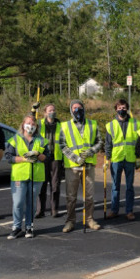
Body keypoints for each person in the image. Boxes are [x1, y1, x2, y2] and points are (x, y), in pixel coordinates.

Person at [60, 100, 103, 233]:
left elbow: (99, 142)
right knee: (71, 197)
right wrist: (76, 158)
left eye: (79, 107)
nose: (77, 110)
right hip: (72, 167)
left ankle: (89, 219)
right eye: (74, 108)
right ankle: (70, 221)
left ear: (84, 109)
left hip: (88, 165)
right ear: (71, 110)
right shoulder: (65, 126)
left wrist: (91, 151)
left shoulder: (92, 124)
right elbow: (62, 145)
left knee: (89, 196)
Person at [5, 114, 47, 239]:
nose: (31, 126)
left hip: (36, 176)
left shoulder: (42, 140)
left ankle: (29, 226)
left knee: (32, 203)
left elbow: (47, 158)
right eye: (28, 123)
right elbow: (8, 157)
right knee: (18, 203)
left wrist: (38, 154)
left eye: (33, 124)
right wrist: (24, 159)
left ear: (36, 126)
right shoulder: (15, 139)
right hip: (19, 176)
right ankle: (16, 227)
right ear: (23, 124)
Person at [105, 99, 140, 221]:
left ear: (127, 109)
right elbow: (108, 144)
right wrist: (107, 159)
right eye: (119, 108)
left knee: (129, 187)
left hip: (130, 159)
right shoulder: (111, 125)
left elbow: (138, 144)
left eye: (124, 107)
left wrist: (138, 160)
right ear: (116, 109)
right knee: (115, 186)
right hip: (116, 159)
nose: (122, 110)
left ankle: (129, 211)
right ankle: (114, 210)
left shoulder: (136, 124)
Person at [35, 104, 64, 219]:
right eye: (50, 110)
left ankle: (54, 209)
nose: (52, 112)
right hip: (42, 157)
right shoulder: (39, 124)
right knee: (42, 185)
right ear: (45, 113)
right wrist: (33, 110)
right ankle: (40, 210)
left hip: (56, 157)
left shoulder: (61, 125)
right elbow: (28, 123)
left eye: (54, 110)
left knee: (55, 185)